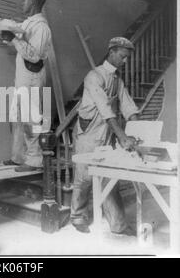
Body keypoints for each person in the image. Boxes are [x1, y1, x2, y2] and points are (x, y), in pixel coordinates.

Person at [0, 0, 52, 172]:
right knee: (17, 117)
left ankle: (34, 161)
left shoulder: (41, 27)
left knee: (30, 119)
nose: (22, 2)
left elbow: (34, 56)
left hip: (32, 77)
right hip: (23, 77)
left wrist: (14, 40)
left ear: (33, 1)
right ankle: (18, 157)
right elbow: (12, 26)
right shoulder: (29, 23)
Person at [70, 37, 139, 235]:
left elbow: (127, 105)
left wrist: (140, 126)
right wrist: (123, 136)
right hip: (89, 133)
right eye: (122, 57)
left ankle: (118, 224)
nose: (125, 61)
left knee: (110, 177)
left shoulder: (117, 80)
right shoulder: (94, 76)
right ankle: (78, 216)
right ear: (112, 52)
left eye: (127, 58)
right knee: (83, 177)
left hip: (106, 133)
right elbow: (105, 110)